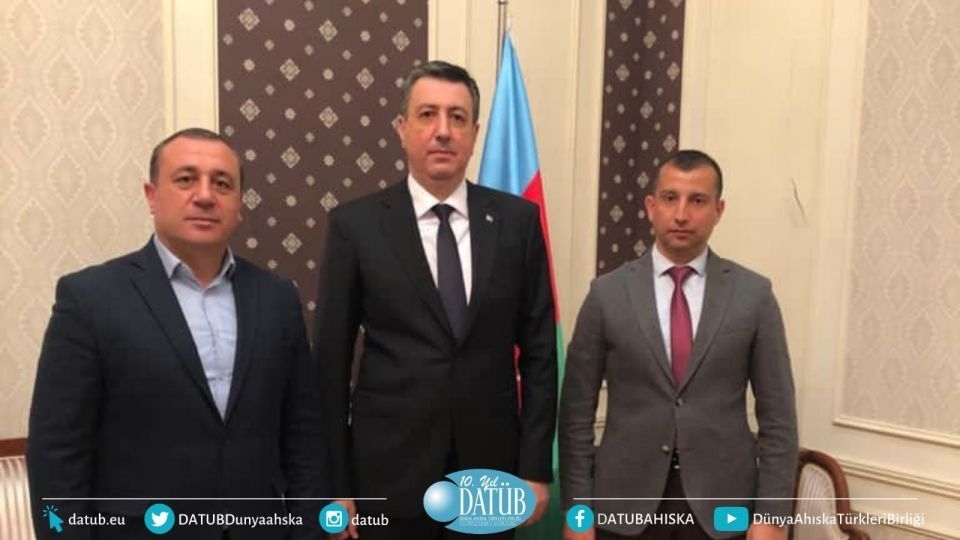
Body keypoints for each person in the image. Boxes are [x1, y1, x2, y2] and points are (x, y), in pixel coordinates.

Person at [27, 128, 326, 540]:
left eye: (222, 184)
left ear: (239, 204)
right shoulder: (90, 298)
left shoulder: (277, 298)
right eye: (186, 179)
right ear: (152, 196)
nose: (205, 196)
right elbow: (56, 453)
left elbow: (303, 436)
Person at [314, 61, 557, 539]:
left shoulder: (518, 223)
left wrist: (534, 468)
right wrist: (336, 486)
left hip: (490, 474)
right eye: (427, 115)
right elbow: (330, 363)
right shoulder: (356, 226)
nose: (443, 131)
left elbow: (541, 355)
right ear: (402, 128)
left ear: (475, 133)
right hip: (386, 474)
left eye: (457, 117)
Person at [559, 150, 797, 540]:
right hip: (623, 506)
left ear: (719, 210)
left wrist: (771, 516)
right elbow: (575, 415)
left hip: (722, 510)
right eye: (670, 198)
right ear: (651, 206)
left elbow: (779, 418)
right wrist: (577, 513)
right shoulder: (607, 295)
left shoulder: (753, 296)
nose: (682, 214)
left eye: (697, 200)